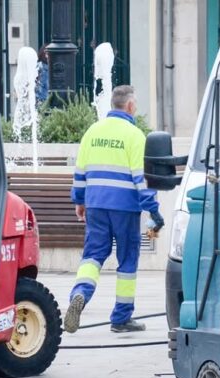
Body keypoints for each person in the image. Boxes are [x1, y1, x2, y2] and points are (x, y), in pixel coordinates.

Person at [64, 85, 164, 333]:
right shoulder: (134, 135)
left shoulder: (92, 132)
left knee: (93, 256)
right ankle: (121, 318)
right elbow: (141, 178)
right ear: (130, 106)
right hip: (125, 208)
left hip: (96, 205)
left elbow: (80, 172)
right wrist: (153, 210)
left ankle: (80, 294)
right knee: (128, 259)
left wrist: (79, 201)